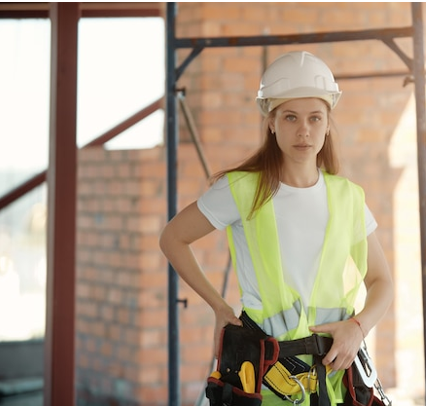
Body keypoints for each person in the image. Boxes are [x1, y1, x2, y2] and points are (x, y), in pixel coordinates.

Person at [159, 50, 394, 406]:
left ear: (328, 123)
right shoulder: (243, 189)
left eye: (315, 118)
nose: (304, 130)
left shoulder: (348, 197)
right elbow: (173, 238)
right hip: (262, 381)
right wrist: (219, 307)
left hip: (332, 382)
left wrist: (358, 329)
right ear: (271, 122)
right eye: (290, 117)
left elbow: (382, 282)